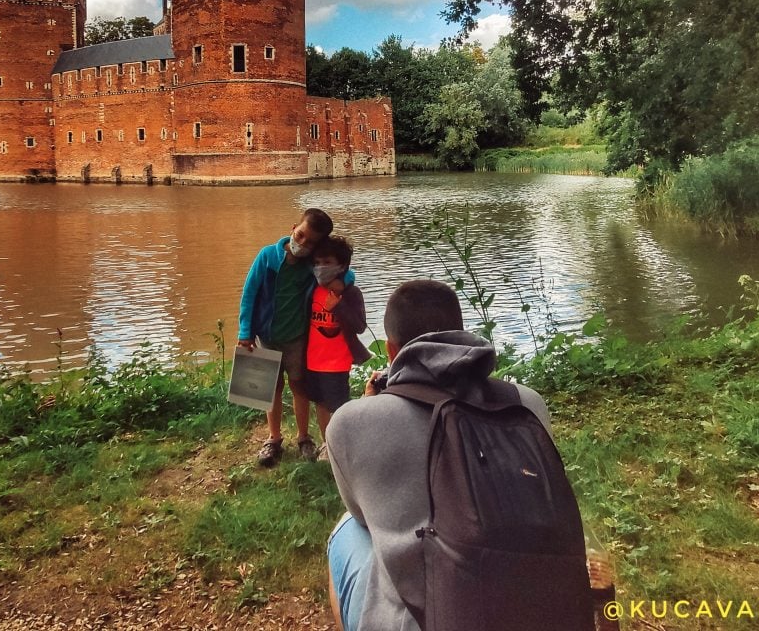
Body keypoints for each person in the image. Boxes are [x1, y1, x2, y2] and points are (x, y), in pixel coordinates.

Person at [324, 279, 553, 631]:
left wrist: (369, 407)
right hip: (526, 607)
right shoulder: (527, 403)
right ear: (459, 335)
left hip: (420, 619)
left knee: (346, 528)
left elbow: (361, 514)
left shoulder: (349, 423)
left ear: (391, 351)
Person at [237, 207, 338, 466]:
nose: (302, 243)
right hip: (267, 335)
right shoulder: (267, 256)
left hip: (296, 338)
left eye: (310, 242)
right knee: (271, 388)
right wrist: (245, 332)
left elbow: (340, 271)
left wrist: (343, 282)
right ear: (294, 228)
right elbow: (249, 294)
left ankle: (304, 437)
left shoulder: (310, 266)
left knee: (298, 386)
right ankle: (273, 439)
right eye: (301, 235)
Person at [304, 235, 371, 451]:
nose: (321, 268)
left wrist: (339, 307)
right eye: (317, 263)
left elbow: (360, 326)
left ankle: (343, 446)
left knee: (338, 408)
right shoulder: (312, 289)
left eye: (327, 263)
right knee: (320, 404)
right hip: (313, 360)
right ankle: (327, 445)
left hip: (337, 362)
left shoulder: (350, 293)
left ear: (341, 265)